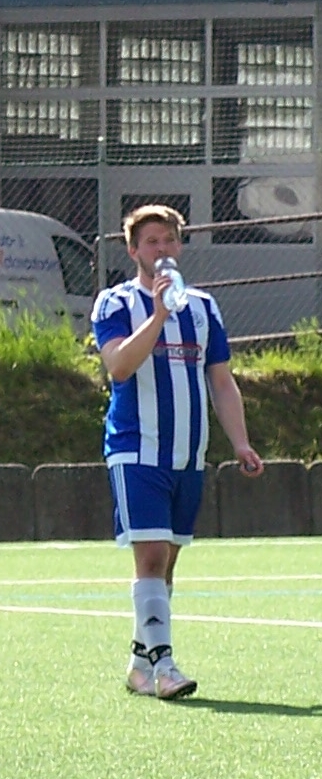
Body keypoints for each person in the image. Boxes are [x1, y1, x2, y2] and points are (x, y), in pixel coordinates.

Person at [92, 204, 264, 700]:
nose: (162, 250)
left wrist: (241, 442)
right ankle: (165, 666)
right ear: (133, 250)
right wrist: (160, 314)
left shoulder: (204, 306)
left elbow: (221, 380)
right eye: (151, 242)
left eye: (169, 241)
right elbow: (119, 367)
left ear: (179, 246)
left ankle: (139, 663)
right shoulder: (115, 303)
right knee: (148, 555)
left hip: (188, 454)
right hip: (136, 449)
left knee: (165, 561)